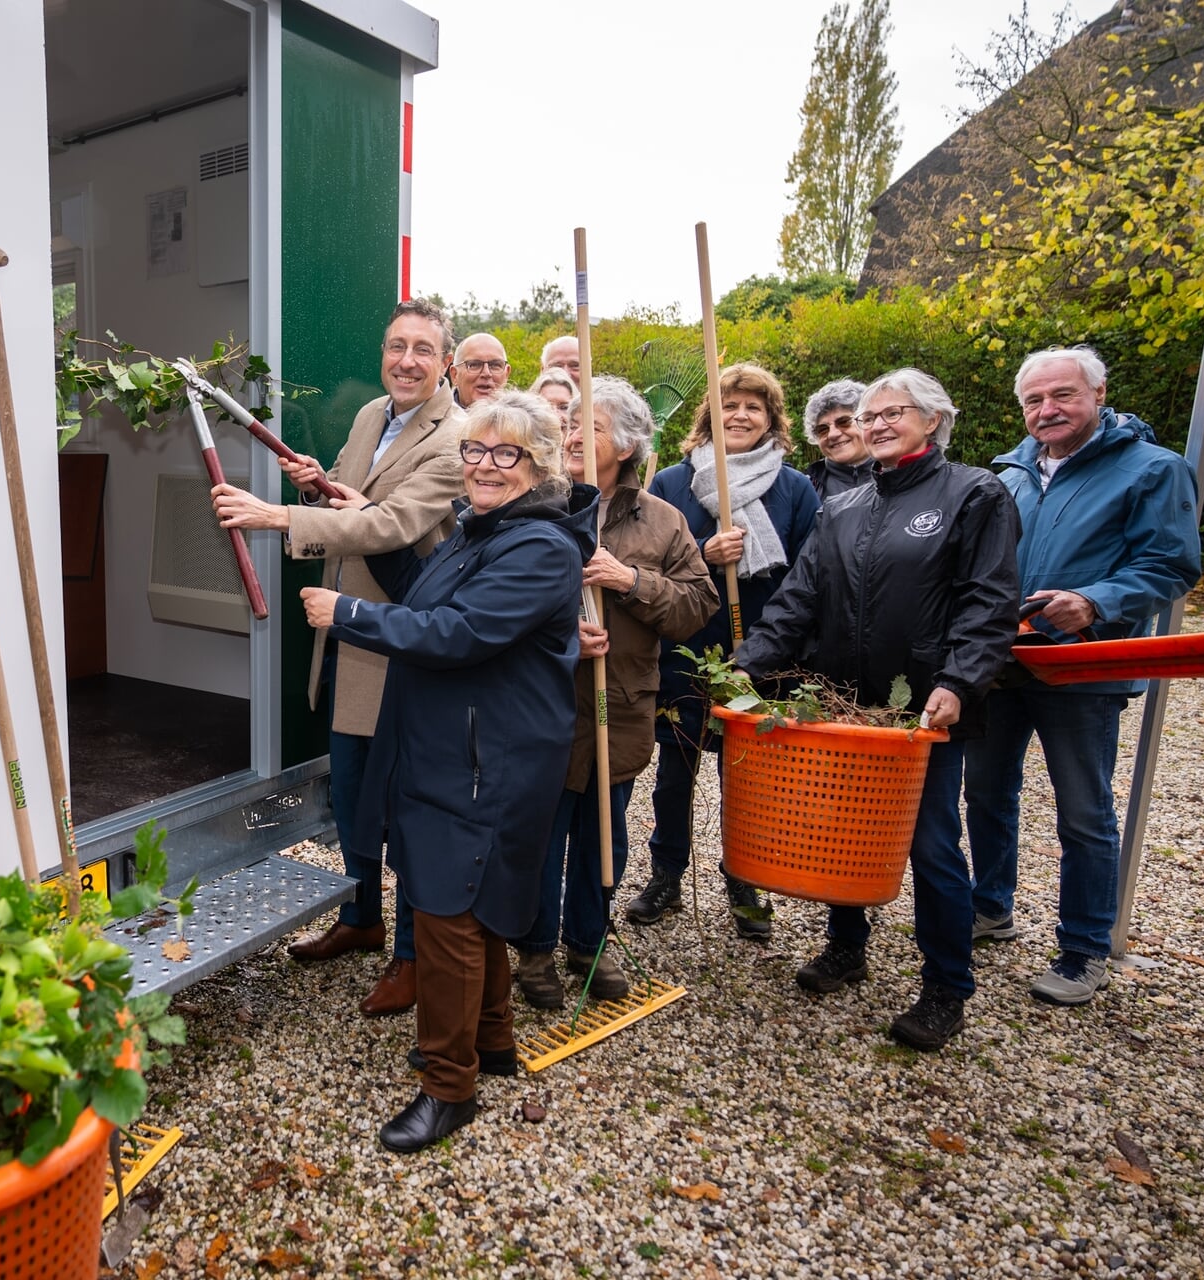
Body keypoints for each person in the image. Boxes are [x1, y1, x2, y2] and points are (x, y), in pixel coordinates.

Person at [299, 391, 595, 1152]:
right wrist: (364, 519)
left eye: (505, 453)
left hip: (485, 762)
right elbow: (420, 592)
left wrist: (347, 614)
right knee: (474, 906)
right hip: (459, 752)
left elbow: (459, 632)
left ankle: (447, 1087)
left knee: (445, 913)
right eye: (475, 450)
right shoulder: (481, 529)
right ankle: (490, 1042)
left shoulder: (540, 547)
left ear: (540, 465)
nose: (484, 465)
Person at [737, 369, 1020, 1050]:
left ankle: (947, 985)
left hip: (925, 708)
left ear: (933, 419)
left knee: (929, 844)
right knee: (843, 827)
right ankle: (846, 944)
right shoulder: (843, 506)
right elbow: (800, 598)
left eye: (895, 412)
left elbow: (989, 599)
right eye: (869, 415)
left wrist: (960, 680)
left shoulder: (974, 493)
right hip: (845, 702)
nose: (877, 424)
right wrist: (747, 665)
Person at [213, 298, 468, 1018]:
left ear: (446, 362)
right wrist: (317, 483)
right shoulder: (369, 417)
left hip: (404, 646)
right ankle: (361, 919)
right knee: (353, 799)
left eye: (423, 349)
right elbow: (355, 502)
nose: (407, 361)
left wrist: (277, 516)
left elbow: (392, 524)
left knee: (409, 813)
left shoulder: (456, 439)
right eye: (396, 346)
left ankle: (413, 956)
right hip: (347, 639)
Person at [965, 346, 1201, 1006]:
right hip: (1004, 663)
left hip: (1082, 667)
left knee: (1083, 811)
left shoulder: (1153, 469)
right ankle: (990, 907)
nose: (1048, 409)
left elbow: (1170, 564)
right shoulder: (1010, 475)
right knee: (985, 793)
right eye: (1034, 400)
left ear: (1098, 393)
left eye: (1063, 395)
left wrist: (1096, 602)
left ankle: (1084, 947)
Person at [512, 378, 716, 1008]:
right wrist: (554, 631)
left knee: (604, 833)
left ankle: (588, 943)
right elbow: (495, 598)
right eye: (571, 424)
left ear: (627, 446)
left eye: (591, 427)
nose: (575, 435)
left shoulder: (662, 521)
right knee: (539, 833)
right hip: (542, 704)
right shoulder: (534, 504)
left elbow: (698, 606)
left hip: (618, 704)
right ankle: (535, 950)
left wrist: (631, 580)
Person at [628, 363, 820, 938]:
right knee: (674, 775)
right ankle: (666, 875)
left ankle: (745, 880)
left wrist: (770, 646)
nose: (740, 415)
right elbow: (647, 560)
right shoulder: (673, 483)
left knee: (749, 779)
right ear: (709, 416)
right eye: (729, 405)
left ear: (772, 419)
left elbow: (809, 572)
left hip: (762, 652)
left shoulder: (794, 488)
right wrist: (703, 553)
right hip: (684, 651)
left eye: (753, 407)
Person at [803, 378, 871, 499]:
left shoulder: (900, 475)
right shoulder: (806, 491)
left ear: (868, 421)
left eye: (844, 422)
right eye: (823, 429)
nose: (833, 434)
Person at [449, 331, 510, 409]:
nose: (486, 373)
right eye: (474, 365)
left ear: (506, 374)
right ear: (454, 375)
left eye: (495, 365)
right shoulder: (435, 414)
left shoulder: (523, 416)